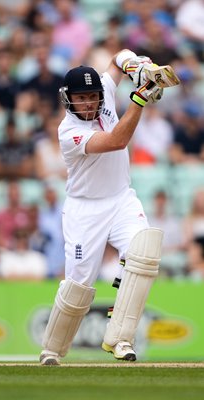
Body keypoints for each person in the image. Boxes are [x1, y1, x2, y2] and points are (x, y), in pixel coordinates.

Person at [39, 50, 164, 366]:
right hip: (85, 210)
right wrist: (140, 99)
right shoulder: (68, 132)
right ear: (68, 99)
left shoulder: (105, 93)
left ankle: (120, 339)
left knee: (144, 252)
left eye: (93, 96)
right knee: (79, 282)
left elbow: (116, 58)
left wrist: (136, 65)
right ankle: (52, 348)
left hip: (121, 198)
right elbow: (116, 142)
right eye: (81, 98)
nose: (89, 103)